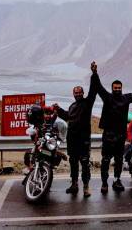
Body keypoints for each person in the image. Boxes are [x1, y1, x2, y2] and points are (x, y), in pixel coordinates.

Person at [92, 61, 132, 193]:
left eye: (119, 87)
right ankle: (104, 183)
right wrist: (95, 73)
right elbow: (98, 86)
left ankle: (117, 180)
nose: (117, 89)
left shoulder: (126, 98)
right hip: (108, 134)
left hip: (121, 134)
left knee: (119, 159)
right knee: (105, 159)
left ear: (121, 88)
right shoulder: (107, 97)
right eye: (115, 88)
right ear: (112, 88)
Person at [53, 69, 98, 198]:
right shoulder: (72, 106)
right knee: (73, 163)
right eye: (76, 93)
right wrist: (58, 109)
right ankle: (74, 185)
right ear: (73, 94)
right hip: (72, 140)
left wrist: (94, 74)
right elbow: (67, 116)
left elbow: (93, 90)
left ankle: (86, 187)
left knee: (85, 164)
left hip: (83, 140)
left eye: (80, 92)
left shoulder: (88, 103)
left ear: (83, 93)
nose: (78, 94)